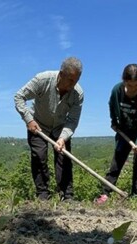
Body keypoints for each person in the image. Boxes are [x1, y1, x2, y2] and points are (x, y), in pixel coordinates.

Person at [14, 57, 84, 201]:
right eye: (70, 80)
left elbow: (73, 120)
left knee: (63, 158)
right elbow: (19, 97)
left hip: (60, 127)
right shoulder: (42, 80)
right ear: (62, 74)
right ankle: (43, 195)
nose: (73, 84)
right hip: (38, 125)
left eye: (76, 80)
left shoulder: (78, 93)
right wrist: (29, 120)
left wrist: (63, 138)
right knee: (39, 156)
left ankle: (66, 195)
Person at [95, 63, 137, 205]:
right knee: (117, 162)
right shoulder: (117, 90)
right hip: (124, 130)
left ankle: (136, 197)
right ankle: (105, 194)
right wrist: (114, 121)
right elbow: (111, 104)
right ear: (124, 81)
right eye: (130, 85)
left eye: (136, 85)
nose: (133, 88)